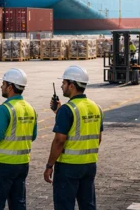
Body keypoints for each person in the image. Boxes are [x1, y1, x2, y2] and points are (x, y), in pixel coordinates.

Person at [0, 68, 37, 210]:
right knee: (18, 203)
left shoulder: (5, 109)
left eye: (3, 84)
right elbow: (32, 136)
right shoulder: (30, 108)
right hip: (22, 164)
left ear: (10, 87)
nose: (1, 86)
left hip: (2, 166)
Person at [44, 65, 103, 210]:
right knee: (88, 205)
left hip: (68, 168)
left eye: (64, 83)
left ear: (71, 85)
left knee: (64, 206)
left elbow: (59, 141)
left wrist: (49, 165)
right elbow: (98, 138)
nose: (62, 86)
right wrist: (58, 111)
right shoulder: (96, 107)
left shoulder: (68, 109)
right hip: (89, 165)